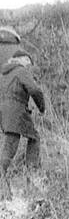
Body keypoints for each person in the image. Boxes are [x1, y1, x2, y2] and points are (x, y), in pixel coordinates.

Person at [0, 51, 45, 194]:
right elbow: (35, 90)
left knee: (10, 145)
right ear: (23, 59)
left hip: (5, 112)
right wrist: (42, 107)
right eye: (28, 62)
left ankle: (5, 186)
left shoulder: (5, 73)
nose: (29, 66)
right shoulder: (20, 70)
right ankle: (31, 175)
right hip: (16, 111)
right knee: (33, 138)